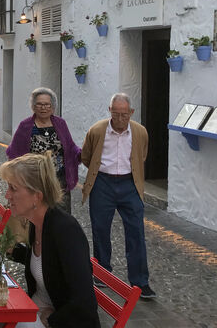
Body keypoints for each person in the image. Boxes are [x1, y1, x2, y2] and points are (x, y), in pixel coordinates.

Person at [1, 153, 100, 328]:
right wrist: (15, 251)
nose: (7, 195)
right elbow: (49, 263)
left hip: (57, 322)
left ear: (36, 197)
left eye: (13, 188)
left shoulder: (65, 230)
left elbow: (85, 303)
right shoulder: (37, 222)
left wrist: (52, 320)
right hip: (33, 311)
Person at [82, 93, 156, 298]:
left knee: (136, 233)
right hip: (103, 183)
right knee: (100, 229)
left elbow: (142, 155)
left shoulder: (140, 132)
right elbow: (87, 156)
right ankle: (103, 273)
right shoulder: (98, 130)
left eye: (125, 115)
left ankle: (140, 282)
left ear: (131, 113)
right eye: (116, 114)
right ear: (110, 111)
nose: (120, 119)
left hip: (130, 183)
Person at [6, 87, 81, 215]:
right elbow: (14, 154)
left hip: (59, 179)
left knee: (61, 215)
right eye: (39, 104)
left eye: (47, 104)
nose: (43, 107)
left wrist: (84, 154)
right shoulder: (26, 126)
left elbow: (70, 147)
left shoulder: (60, 124)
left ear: (52, 107)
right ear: (33, 107)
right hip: (35, 180)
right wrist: (14, 180)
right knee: (38, 214)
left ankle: (59, 235)